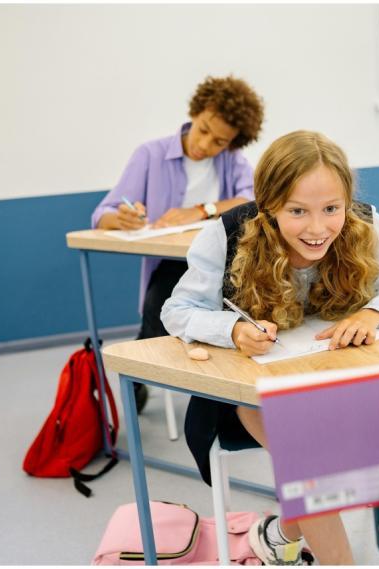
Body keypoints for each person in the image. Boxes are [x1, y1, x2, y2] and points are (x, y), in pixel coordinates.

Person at [161, 130, 379, 565]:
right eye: (298, 211)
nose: (318, 228)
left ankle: (278, 536)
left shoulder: (364, 222)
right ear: (269, 205)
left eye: (331, 209)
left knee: (338, 464)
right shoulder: (225, 235)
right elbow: (178, 310)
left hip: (336, 377)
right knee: (314, 470)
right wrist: (232, 330)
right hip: (256, 392)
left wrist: (372, 314)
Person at [91, 75, 264, 410]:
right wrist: (121, 219)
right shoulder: (150, 155)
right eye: (203, 130)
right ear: (196, 112)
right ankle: (140, 373)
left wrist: (200, 210)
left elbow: (253, 199)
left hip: (223, 265)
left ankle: (221, 387)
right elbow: (102, 214)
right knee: (162, 300)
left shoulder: (233, 161)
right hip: (172, 263)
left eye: (219, 142)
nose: (206, 144)